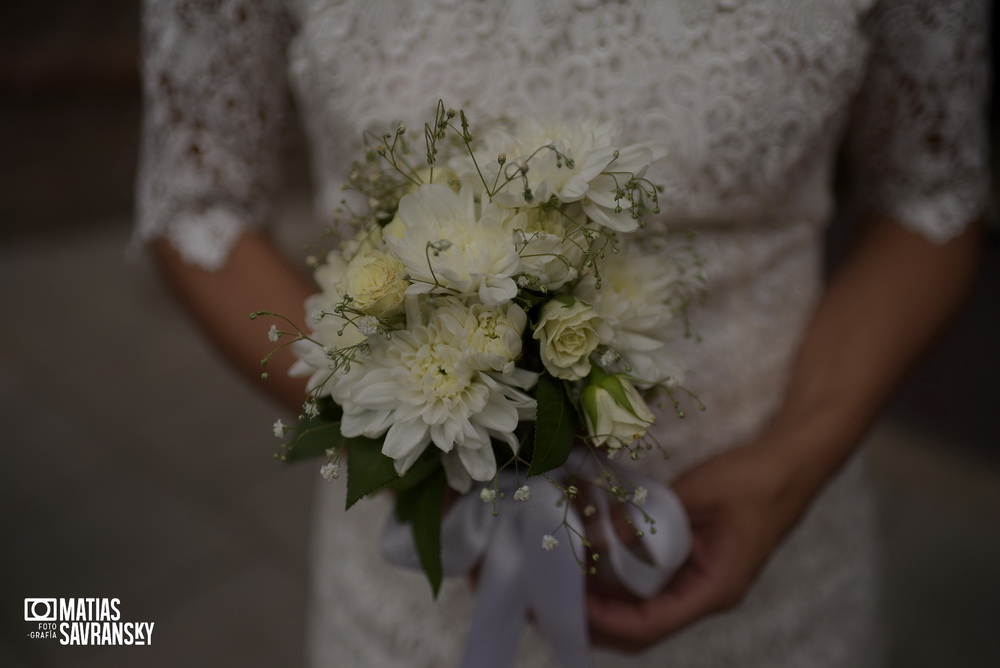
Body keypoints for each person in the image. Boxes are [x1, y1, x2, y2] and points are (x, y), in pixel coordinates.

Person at [135, 0, 990, 666]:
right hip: (426, 576)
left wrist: (790, 467)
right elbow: (200, 205)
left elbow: (931, 195)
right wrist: (415, 436)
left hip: (778, 553)